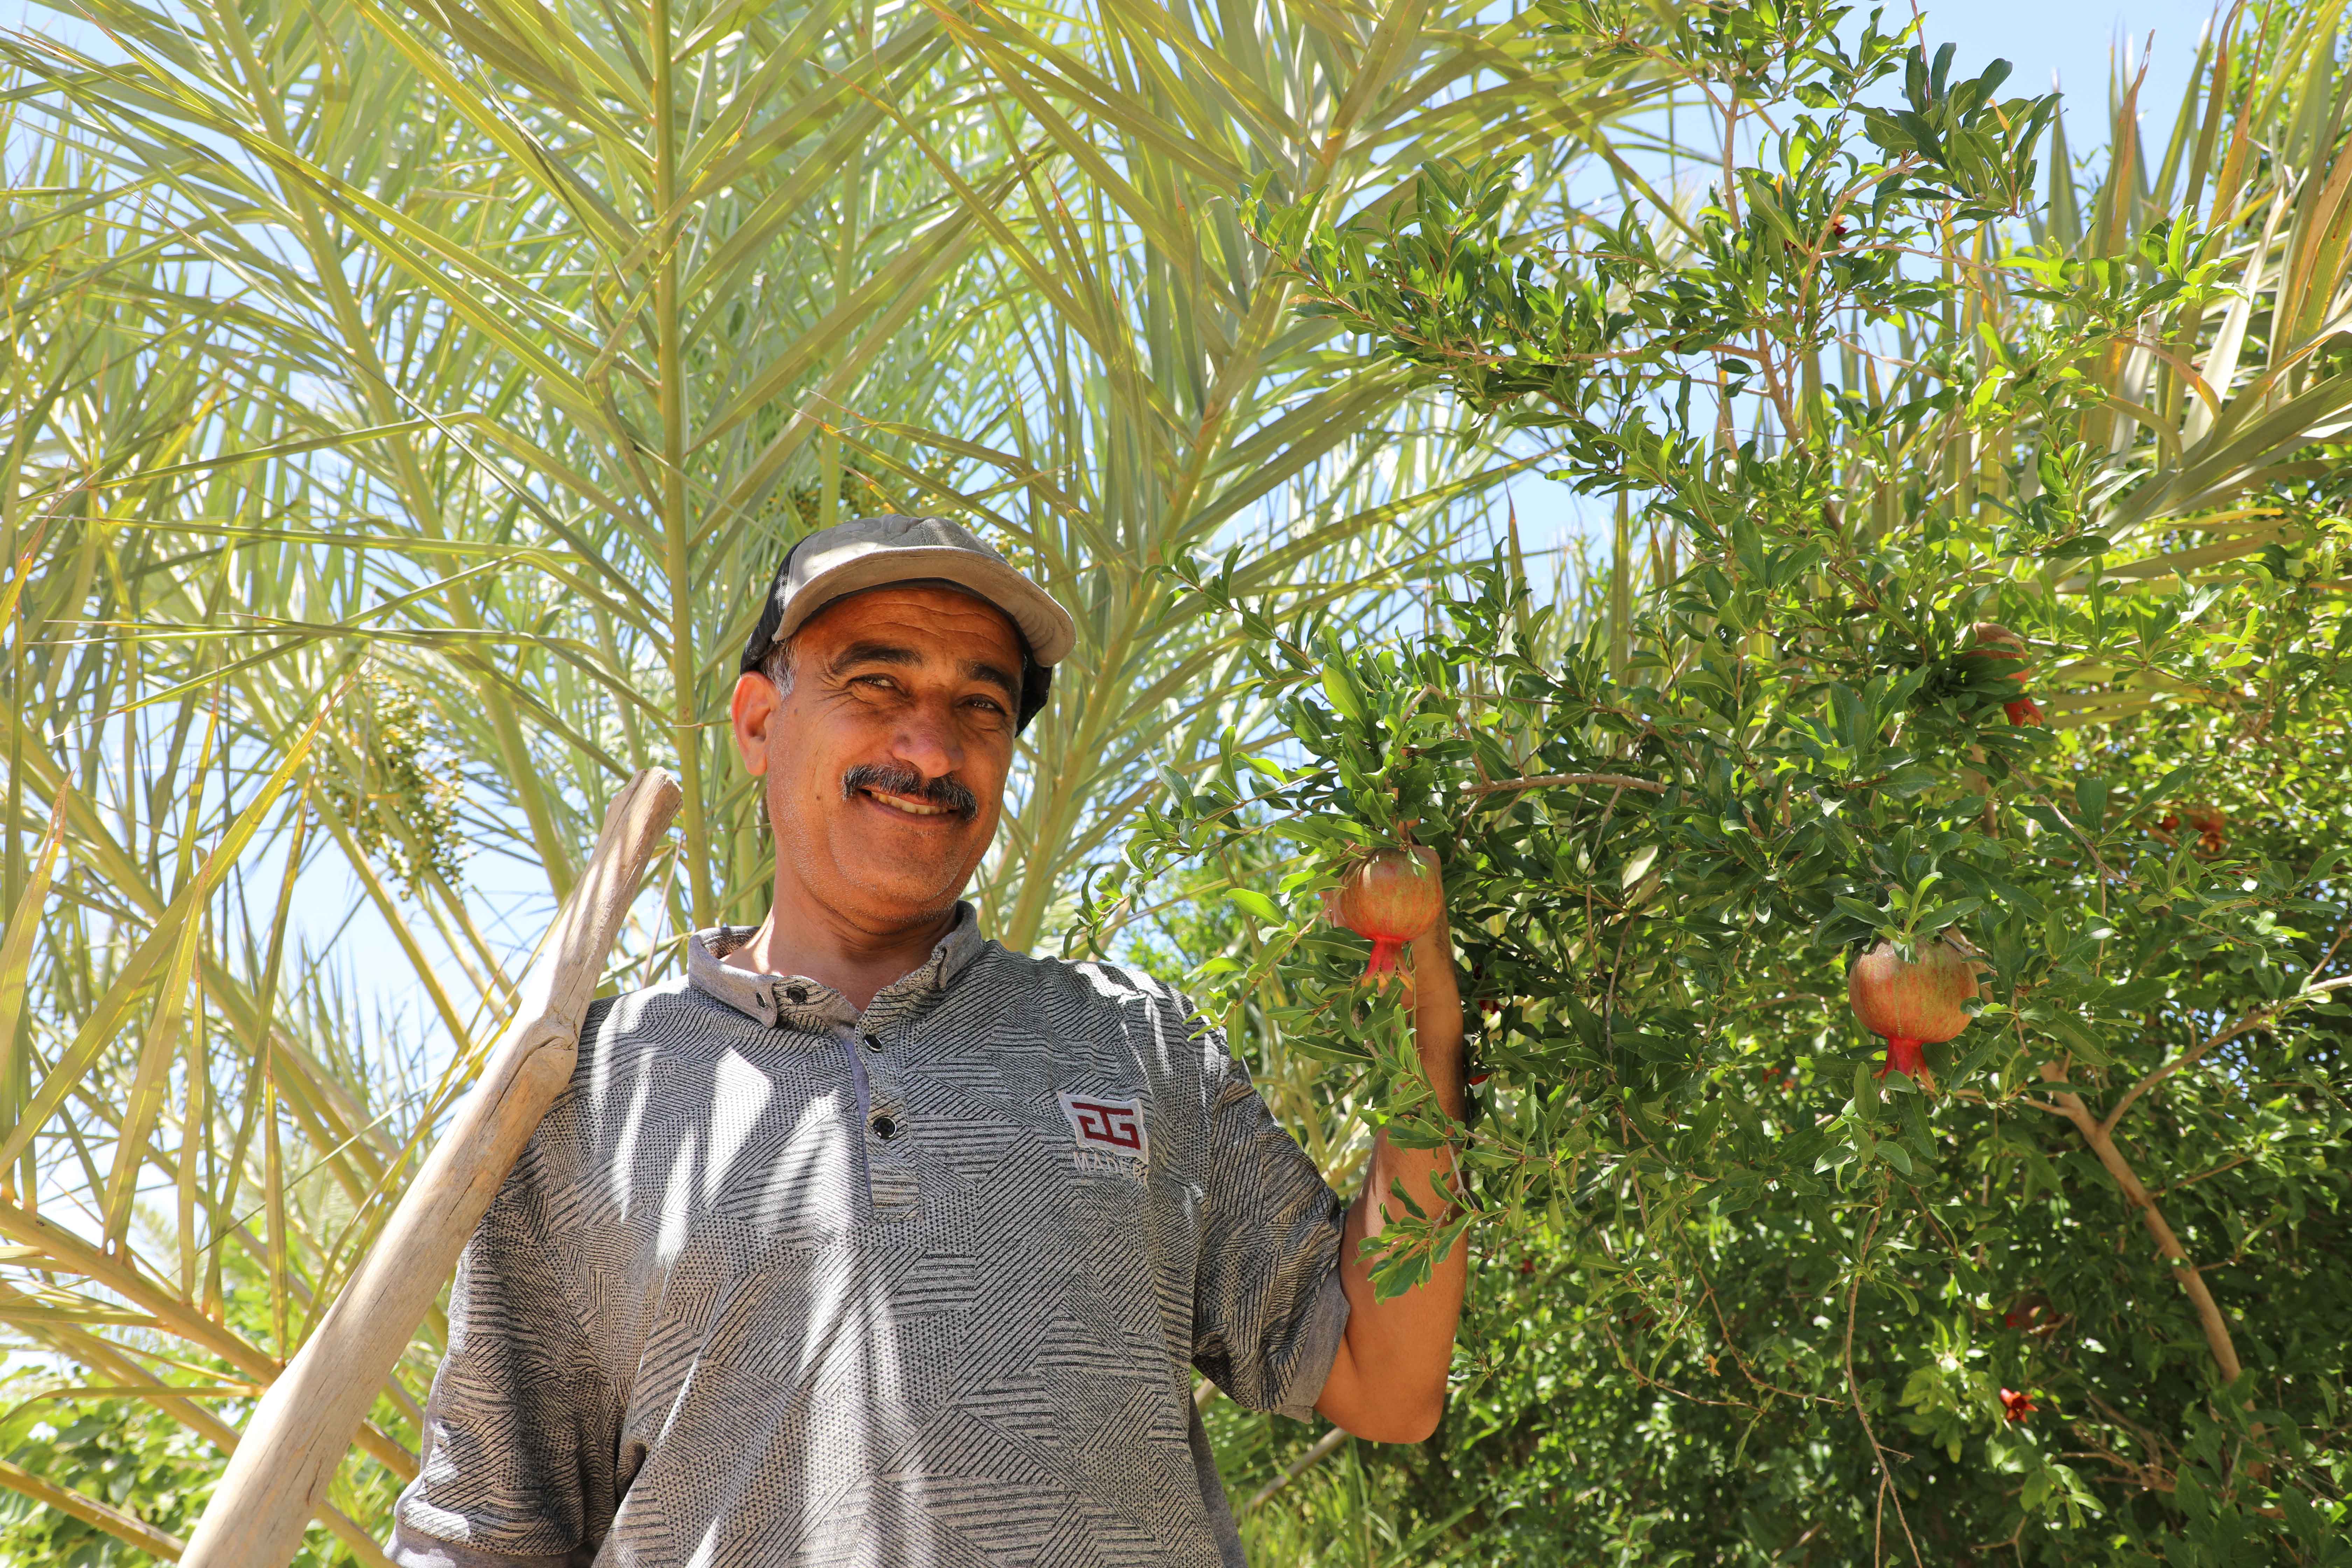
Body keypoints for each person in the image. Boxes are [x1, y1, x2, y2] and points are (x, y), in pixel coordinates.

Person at [386, 515, 1468, 1568]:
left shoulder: (1137, 1048)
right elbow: (485, 1531)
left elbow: (1387, 1379)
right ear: (760, 722)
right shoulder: (592, 1096)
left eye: (980, 707)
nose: (930, 745)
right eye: (877, 686)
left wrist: (1424, 1042)